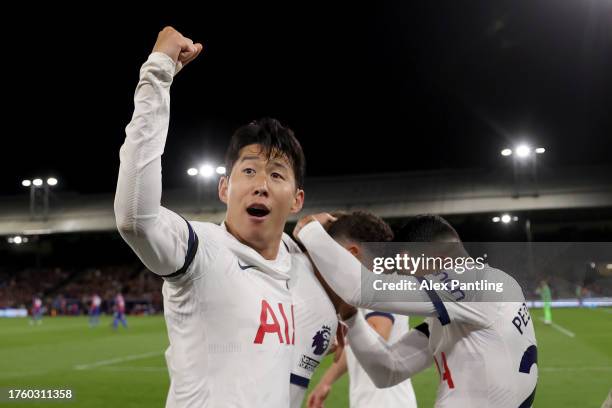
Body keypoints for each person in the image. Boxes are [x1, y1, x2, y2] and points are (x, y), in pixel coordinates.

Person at [115, 26, 335, 407]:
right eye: (248, 171)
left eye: (277, 174)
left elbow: (385, 282)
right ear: (223, 189)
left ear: (297, 199)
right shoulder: (200, 252)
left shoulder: (302, 262)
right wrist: (157, 72)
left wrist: (332, 243)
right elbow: (136, 218)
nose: (261, 185)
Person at [294, 214, 538, 407]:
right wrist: (351, 316)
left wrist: (307, 227)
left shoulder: (473, 281)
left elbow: (361, 289)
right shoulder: (466, 306)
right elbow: (388, 370)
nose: (405, 277)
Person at [308, 211, 417, 408]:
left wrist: (340, 332)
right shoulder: (365, 286)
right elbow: (362, 340)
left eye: (333, 254)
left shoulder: (384, 282)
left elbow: (377, 333)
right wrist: (326, 381)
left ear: (351, 253)